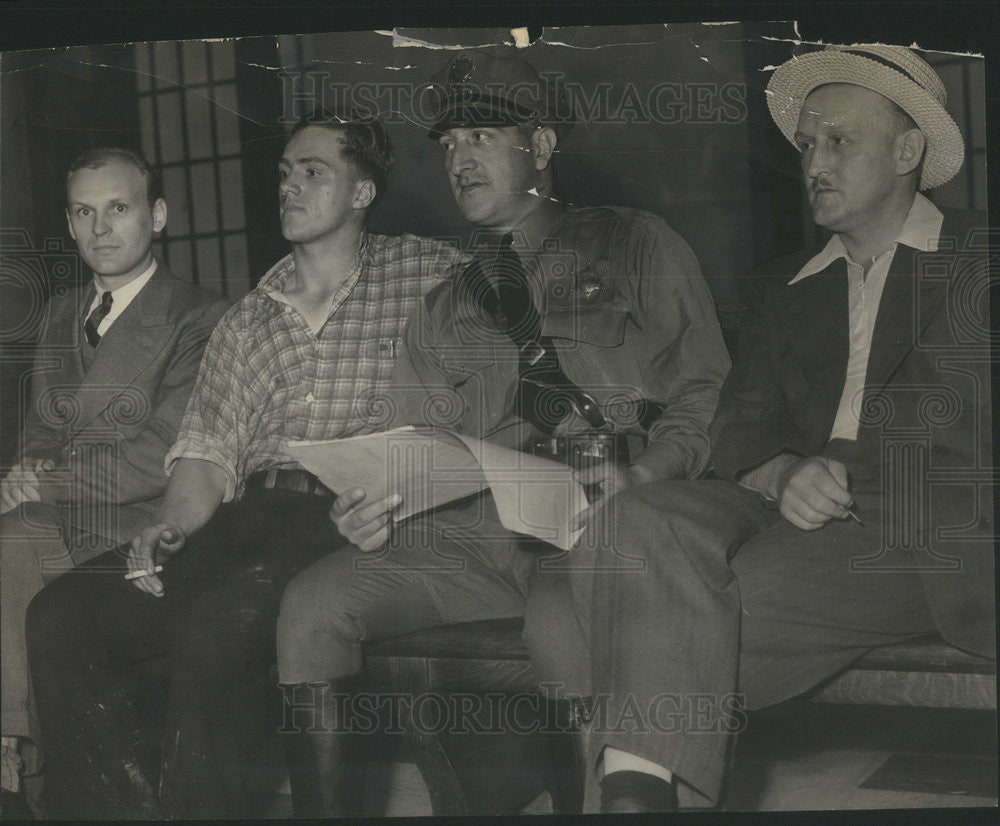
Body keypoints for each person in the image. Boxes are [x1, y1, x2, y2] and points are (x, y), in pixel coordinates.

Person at [273, 49, 731, 817]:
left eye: (481, 136)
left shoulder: (635, 244)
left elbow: (707, 391)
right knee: (311, 603)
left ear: (542, 147)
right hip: (478, 534)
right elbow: (407, 444)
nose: (459, 160)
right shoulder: (444, 304)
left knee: (564, 622)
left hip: (602, 517)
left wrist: (647, 477)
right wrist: (370, 505)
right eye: (448, 145)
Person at [566, 43, 994, 812]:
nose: (814, 161)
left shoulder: (981, 262)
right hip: (780, 502)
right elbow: (739, 424)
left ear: (906, 151)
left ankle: (634, 798)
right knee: (631, 522)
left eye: (839, 140)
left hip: (917, 528)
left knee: (657, 617)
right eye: (806, 144)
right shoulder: (781, 286)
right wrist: (781, 472)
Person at [24, 111, 464, 819]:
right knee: (62, 615)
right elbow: (206, 449)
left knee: (213, 629)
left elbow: (476, 408)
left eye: (313, 171)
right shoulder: (250, 316)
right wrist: (169, 527)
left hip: (352, 521)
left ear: (361, 193)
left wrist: (400, 490)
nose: (289, 186)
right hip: (249, 518)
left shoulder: (430, 274)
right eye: (285, 172)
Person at [0, 147, 228, 816]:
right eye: (84, 213)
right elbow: (43, 430)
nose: (100, 229)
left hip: (148, 526)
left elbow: (161, 452)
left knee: (14, 541)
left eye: (118, 208)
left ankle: (15, 759)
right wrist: (28, 469)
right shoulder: (60, 313)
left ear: (155, 216)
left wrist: (46, 487)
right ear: (70, 226)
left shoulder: (200, 315)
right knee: (17, 536)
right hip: (58, 514)